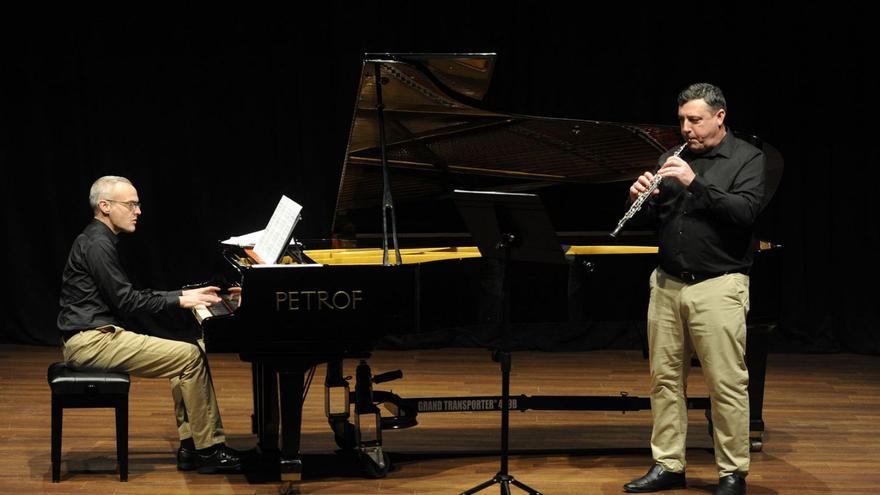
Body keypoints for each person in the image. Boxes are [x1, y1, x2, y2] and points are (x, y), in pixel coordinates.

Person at [622, 83, 765, 495]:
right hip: (666, 285)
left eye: (695, 120)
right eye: (682, 119)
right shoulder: (671, 157)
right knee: (664, 381)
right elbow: (665, 218)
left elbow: (744, 212)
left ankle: (732, 472)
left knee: (726, 383)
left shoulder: (748, 159)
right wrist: (644, 199)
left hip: (718, 285)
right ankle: (668, 465)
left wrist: (695, 183)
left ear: (720, 117)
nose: (686, 128)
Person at [57, 175, 243, 474]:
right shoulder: (96, 244)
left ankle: (192, 445)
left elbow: (127, 296)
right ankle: (209, 451)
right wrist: (180, 300)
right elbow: (128, 302)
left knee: (188, 352)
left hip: (97, 335)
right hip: (91, 341)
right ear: (104, 206)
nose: (138, 211)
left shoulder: (99, 239)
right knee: (190, 357)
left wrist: (181, 294)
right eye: (131, 204)